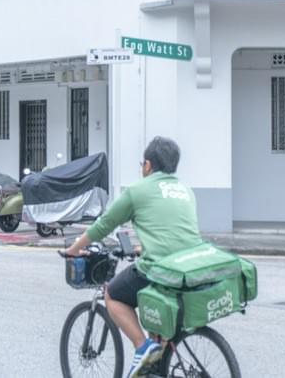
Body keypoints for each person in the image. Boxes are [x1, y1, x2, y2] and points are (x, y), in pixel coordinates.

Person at [64, 136, 202, 377]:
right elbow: (172, 232)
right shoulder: (185, 190)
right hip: (190, 268)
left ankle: (143, 348)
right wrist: (142, 248)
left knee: (113, 294)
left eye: (142, 164)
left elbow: (103, 225)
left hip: (162, 269)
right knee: (155, 313)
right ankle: (157, 360)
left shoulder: (138, 190)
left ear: (148, 165)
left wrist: (75, 248)